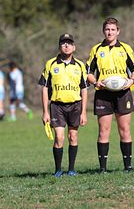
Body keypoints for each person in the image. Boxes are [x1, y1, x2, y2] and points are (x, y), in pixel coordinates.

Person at [86, 17, 134, 173]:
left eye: (113, 29)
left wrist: (131, 81)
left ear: (118, 31)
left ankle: (128, 167)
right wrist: (95, 82)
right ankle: (102, 169)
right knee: (104, 130)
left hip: (123, 93)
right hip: (103, 94)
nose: (110, 32)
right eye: (107, 29)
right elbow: (88, 73)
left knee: (125, 129)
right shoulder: (96, 50)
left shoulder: (125, 49)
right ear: (104, 31)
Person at [39, 33, 88, 178]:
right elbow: (44, 88)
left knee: (73, 136)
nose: (66, 46)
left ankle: (71, 169)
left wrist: (84, 112)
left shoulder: (80, 65)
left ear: (74, 47)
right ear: (59, 46)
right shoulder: (50, 64)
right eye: (63, 43)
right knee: (59, 138)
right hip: (57, 106)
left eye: (69, 43)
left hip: (75, 105)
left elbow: (84, 89)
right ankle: (58, 169)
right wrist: (45, 112)